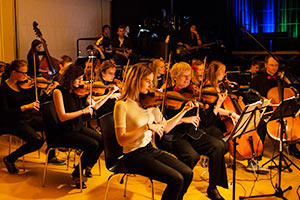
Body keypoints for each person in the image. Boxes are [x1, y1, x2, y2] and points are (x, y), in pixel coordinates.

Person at [114, 62, 195, 200]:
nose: (151, 86)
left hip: (150, 150)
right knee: (176, 179)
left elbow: (166, 128)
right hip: (133, 156)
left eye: (152, 81)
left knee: (187, 173)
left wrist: (184, 111)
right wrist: (146, 127)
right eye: (147, 81)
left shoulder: (150, 103)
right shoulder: (122, 105)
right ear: (136, 80)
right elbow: (121, 140)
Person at [157, 61, 229, 200]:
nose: (187, 79)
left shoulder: (195, 94)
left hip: (192, 133)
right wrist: (185, 119)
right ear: (175, 77)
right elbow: (163, 123)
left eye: (189, 76)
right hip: (174, 135)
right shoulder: (166, 95)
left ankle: (213, 187)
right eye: (184, 76)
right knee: (192, 156)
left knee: (218, 146)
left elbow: (207, 122)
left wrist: (218, 103)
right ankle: (178, 189)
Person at [0, 60, 64, 174]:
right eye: (23, 73)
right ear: (14, 72)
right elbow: (5, 112)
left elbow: (36, 104)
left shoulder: (25, 85)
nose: (26, 76)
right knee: (37, 141)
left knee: (52, 124)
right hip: (12, 121)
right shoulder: (3, 88)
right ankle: (10, 159)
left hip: (27, 118)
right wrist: (25, 107)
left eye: (26, 73)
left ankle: (51, 155)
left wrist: (47, 92)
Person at [52, 63, 110, 188]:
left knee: (102, 140)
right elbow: (62, 117)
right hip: (64, 131)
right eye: (79, 78)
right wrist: (83, 111)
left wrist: (108, 96)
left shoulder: (77, 92)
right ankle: (77, 173)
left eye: (82, 78)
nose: (81, 81)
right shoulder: (58, 92)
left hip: (77, 127)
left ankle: (87, 166)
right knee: (92, 144)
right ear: (70, 78)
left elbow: (92, 108)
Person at [251, 55, 300, 160]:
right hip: (266, 110)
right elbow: (250, 95)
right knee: (262, 123)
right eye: (271, 65)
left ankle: (292, 147)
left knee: (292, 120)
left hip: (282, 110)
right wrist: (261, 99)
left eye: (276, 65)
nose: (274, 68)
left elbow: (294, 91)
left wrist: (287, 81)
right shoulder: (257, 79)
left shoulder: (281, 79)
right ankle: (259, 149)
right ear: (266, 65)